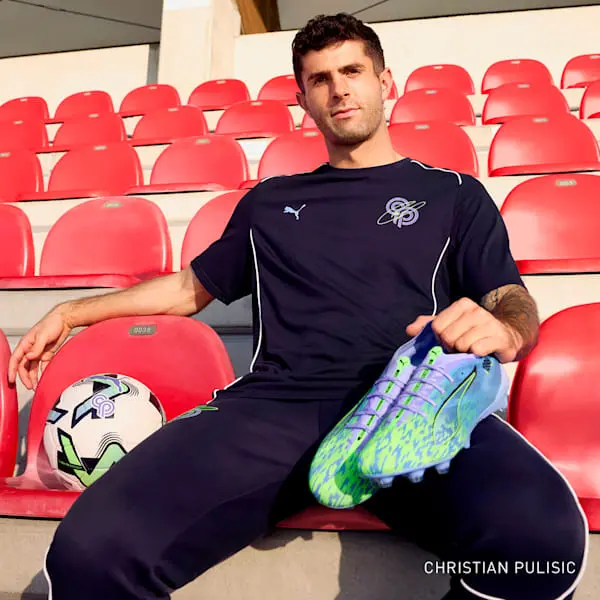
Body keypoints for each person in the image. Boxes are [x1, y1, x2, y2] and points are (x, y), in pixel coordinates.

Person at [8, 13, 586, 600]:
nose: (339, 90)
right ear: (303, 98)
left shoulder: (453, 194)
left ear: (385, 82)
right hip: (274, 406)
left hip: (408, 406)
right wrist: (72, 312)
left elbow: (508, 297)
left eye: (352, 71)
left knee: (540, 544)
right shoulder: (270, 202)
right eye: (320, 79)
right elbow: (187, 289)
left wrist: (508, 330)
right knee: (89, 553)